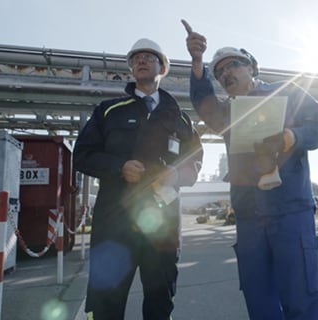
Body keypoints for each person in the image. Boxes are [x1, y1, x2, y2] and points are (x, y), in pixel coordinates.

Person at [182, 19, 318, 320]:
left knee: (301, 296)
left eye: (233, 65)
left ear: (251, 68)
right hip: (249, 217)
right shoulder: (226, 112)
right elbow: (203, 104)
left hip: (291, 210)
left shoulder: (288, 92)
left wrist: (292, 137)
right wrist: (197, 63)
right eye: (219, 72)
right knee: (260, 301)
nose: (226, 73)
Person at [73, 38, 203, 320]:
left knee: (160, 302)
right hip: (115, 224)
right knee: (107, 302)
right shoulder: (108, 111)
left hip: (163, 227)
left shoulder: (180, 119)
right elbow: (82, 155)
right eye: (136, 58)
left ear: (163, 67)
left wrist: (177, 174)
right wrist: (119, 166)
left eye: (149, 56)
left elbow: (195, 161)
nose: (141, 61)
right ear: (131, 68)